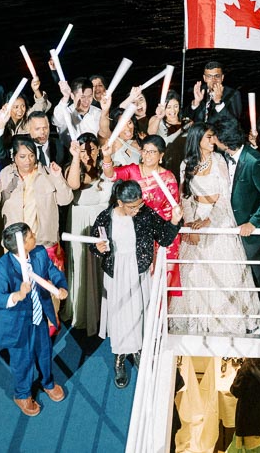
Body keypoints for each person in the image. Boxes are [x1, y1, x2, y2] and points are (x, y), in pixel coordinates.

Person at [169, 124, 260, 335]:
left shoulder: (220, 161)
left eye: (213, 137)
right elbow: (185, 198)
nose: (213, 141)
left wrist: (208, 220)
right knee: (195, 275)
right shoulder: (186, 164)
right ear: (197, 139)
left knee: (224, 273)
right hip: (195, 216)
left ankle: (227, 322)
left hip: (219, 217)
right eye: (209, 137)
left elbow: (225, 196)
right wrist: (191, 224)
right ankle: (199, 322)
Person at [93, 179, 183, 387]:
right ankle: (120, 356)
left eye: (139, 205)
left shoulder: (145, 214)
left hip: (138, 270)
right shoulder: (105, 218)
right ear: (120, 202)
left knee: (140, 311)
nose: (137, 210)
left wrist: (174, 222)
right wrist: (98, 249)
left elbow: (164, 238)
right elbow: (93, 246)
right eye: (132, 206)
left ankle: (138, 349)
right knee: (119, 314)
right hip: (116, 273)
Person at [0, 222, 70, 416]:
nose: (35, 236)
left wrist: (61, 286)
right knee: (22, 360)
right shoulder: (3, 265)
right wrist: (16, 295)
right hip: (17, 322)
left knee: (44, 351)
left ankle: (47, 382)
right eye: (31, 235)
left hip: (39, 316)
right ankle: (22, 394)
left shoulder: (40, 252)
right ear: (22, 244)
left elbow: (53, 272)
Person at [104, 134, 182, 299]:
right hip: (134, 234)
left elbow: (172, 209)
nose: (147, 156)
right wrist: (106, 156)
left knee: (160, 283)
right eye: (145, 151)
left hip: (159, 233)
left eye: (152, 152)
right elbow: (111, 175)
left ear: (161, 156)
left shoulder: (168, 178)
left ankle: (158, 322)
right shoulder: (132, 170)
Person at [0, 138, 74, 276]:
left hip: (44, 244)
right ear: (14, 157)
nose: (28, 160)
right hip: (16, 245)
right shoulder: (5, 175)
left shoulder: (48, 173)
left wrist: (58, 177)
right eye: (22, 157)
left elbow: (66, 200)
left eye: (31, 156)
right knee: (20, 291)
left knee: (49, 291)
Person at [222, 121, 260, 324]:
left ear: (225, 141)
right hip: (230, 227)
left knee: (258, 273)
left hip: (251, 232)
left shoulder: (255, 161)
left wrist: (253, 223)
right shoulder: (224, 157)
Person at [67, 132, 113, 331]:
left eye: (91, 149)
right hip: (80, 224)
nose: (87, 153)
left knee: (102, 265)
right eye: (83, 149)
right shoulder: (73, 168)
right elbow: (74, 184)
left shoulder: (107, 169)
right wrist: (76, 157)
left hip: (103, 223)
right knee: (82, 263)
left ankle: (105, 312)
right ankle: (83, 311)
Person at [189, 60, 243, 126]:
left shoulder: (233, 94)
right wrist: (196, 103)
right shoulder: (197, 91)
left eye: (217, 76)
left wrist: (218, 103)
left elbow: (235, 124)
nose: (213, 80)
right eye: (209, 76)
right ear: (204, 78)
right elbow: (185, 118)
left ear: (222, 78)